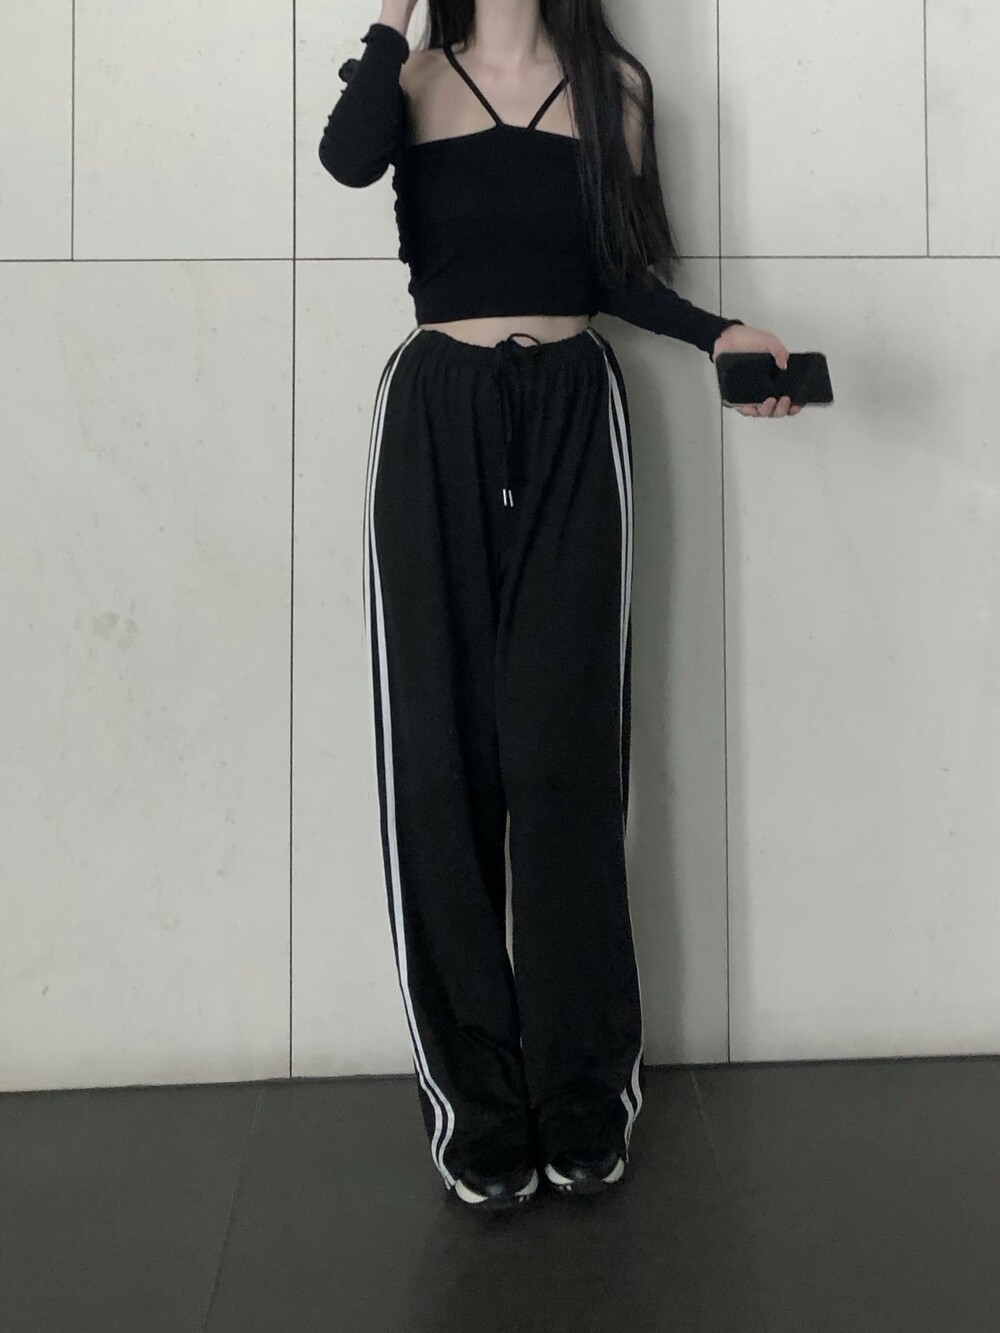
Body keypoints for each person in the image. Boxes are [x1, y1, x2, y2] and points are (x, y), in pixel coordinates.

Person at [319, 0, 798, 1214]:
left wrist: (722, 336)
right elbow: (346, 160)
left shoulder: (613, 88)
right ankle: (475, 1105)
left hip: (577, 415)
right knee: (440, 765)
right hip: (434, 416)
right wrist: (386, 21)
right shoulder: (410, 80)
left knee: (562, 756)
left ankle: (582, 1095)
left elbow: (620, 275)